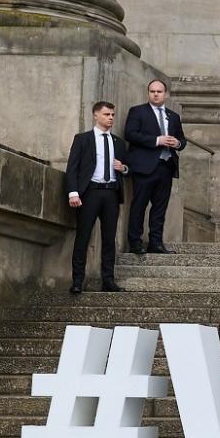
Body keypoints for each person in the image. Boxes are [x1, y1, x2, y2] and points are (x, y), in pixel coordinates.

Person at [64, 101, 131, 294]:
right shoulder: (82, 139)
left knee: (109, 239)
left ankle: (108, 280)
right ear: (96, 115)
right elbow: (72, 168)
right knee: (83, 236)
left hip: (111, 193)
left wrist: (123, 168)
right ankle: (77, 281)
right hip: (90, 192)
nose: (110, 118)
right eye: (106, 114)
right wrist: (73, 192)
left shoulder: (118, 142)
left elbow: (129, 167)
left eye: (112, 115)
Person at [122, 78, 183, 255]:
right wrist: (157, 140)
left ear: (166, 94)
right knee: (139, 205)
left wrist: (177, 143)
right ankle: (135, 242)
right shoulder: (137, 111)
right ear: (148, 93)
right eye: (152, 91)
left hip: (166, 166)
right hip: (144, 166)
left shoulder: (173, 116)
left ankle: (155, 243)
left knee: (160, 208)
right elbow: (130, 134)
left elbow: (182, 139)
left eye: (159, 92)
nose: (156, 94)